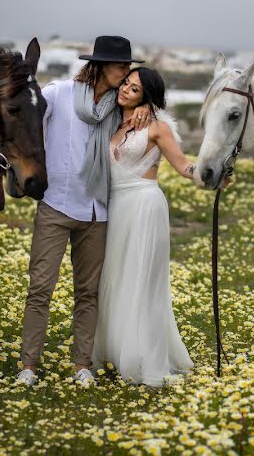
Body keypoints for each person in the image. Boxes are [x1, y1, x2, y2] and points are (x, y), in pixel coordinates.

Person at [18, 36, 151, 386]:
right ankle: (28, 366)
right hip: (55, 206)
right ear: (101, 66)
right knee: (40, 288)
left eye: (127, 68)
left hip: (97, 211)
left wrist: (145, 110)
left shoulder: (119, 108)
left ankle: (82, 365)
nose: (125, 74)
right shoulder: (58, 93)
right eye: (121, 67)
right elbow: (23, 117)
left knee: (88, 293)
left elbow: (154, 123)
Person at [91, 67, 197, 387]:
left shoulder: (157, 127)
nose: (125, 89)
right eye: (126, 83)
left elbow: (182, 165)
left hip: (144, 204)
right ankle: (114, 349)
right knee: (114, 278)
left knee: (142, 280)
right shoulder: (110, 119)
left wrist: (208, 174)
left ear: (146, 97)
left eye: (135, 89)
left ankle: (142, 357)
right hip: (116, 206)